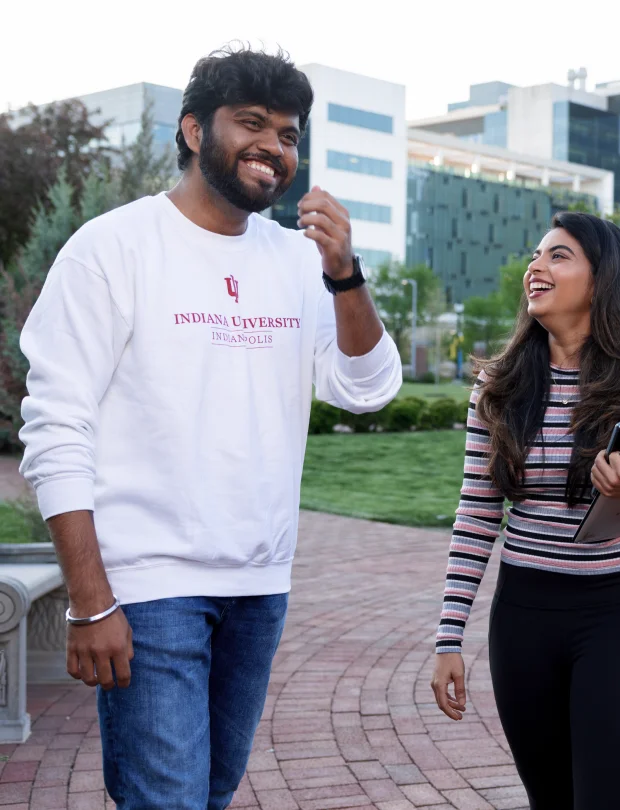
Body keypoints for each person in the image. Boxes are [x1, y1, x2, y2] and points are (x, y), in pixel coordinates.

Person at [18, 46, 401, 810]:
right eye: (251, 124)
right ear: (195, 131)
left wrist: (345, 275)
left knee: (213, 789)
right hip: (151, 583)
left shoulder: (298, 262)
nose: (274, 147)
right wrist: (91, 600)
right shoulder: (111, 248)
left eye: (289, 134)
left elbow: (367, 389)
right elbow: (56, 427)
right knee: (167, 798)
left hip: (259, 581)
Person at [431, 211, 620, 810]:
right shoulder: (498, 387)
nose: (536, 267)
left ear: (603, 278)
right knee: (551, 800)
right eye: (536, 256)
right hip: (523, 618)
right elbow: (478, 514)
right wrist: (448, 636)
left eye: (558, 255)